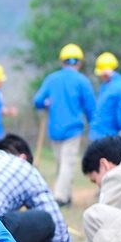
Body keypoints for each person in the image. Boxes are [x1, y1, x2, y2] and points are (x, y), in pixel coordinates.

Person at [33, 43, 96, 206]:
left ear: (62, 62)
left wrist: (45, 104)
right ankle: (60, 197)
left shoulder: (52, 78)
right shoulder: (82, 81)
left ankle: (66, 196)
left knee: (62, 163)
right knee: (67, 164)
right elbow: (91, 108)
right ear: (79, 63)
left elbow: (38, 100)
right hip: (73, 129)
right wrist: (94, 128)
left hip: (54, 130)